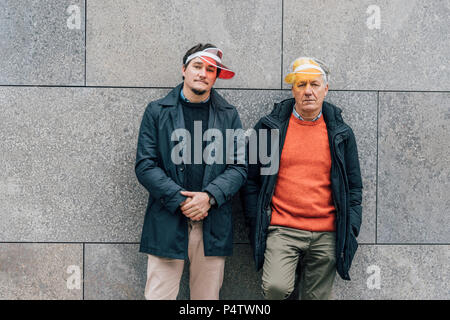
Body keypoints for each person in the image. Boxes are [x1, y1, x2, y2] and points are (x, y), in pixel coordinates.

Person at [241, 57, 363, 300]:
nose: (308, 91)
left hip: (327, 232)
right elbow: (250, 179)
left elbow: (354, 187)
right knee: (276, 287)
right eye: (301, 84)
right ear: (292, 89)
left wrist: (350, 228)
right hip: (282, 228)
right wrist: (257, 221)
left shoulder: (341, 133)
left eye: (315, 84)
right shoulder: (269, 128)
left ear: (326, 89)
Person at [135, 43, 247, 300]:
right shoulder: (157, 111)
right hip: (167, 218)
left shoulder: (229, 115)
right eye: (197, 66)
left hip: (212, 221)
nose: (203, 74)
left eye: (210, 69)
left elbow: (239, 167)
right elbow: (145, 165)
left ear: (216, 77)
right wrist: (181, 200)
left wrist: (208, 197)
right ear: (184, 70)